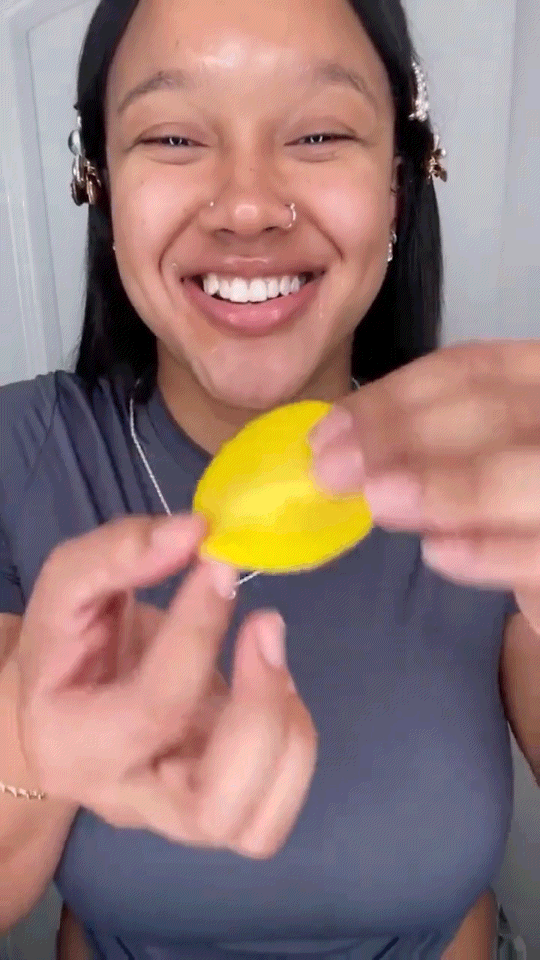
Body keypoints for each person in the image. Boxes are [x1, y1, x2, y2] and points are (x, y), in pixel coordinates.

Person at [1, 0, 539, 957]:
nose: (247, 207)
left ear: (397, 187)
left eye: (319, 133)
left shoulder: (500, 474)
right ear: (102, 186)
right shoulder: (19, 458)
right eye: (173, 137)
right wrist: (31, 744)